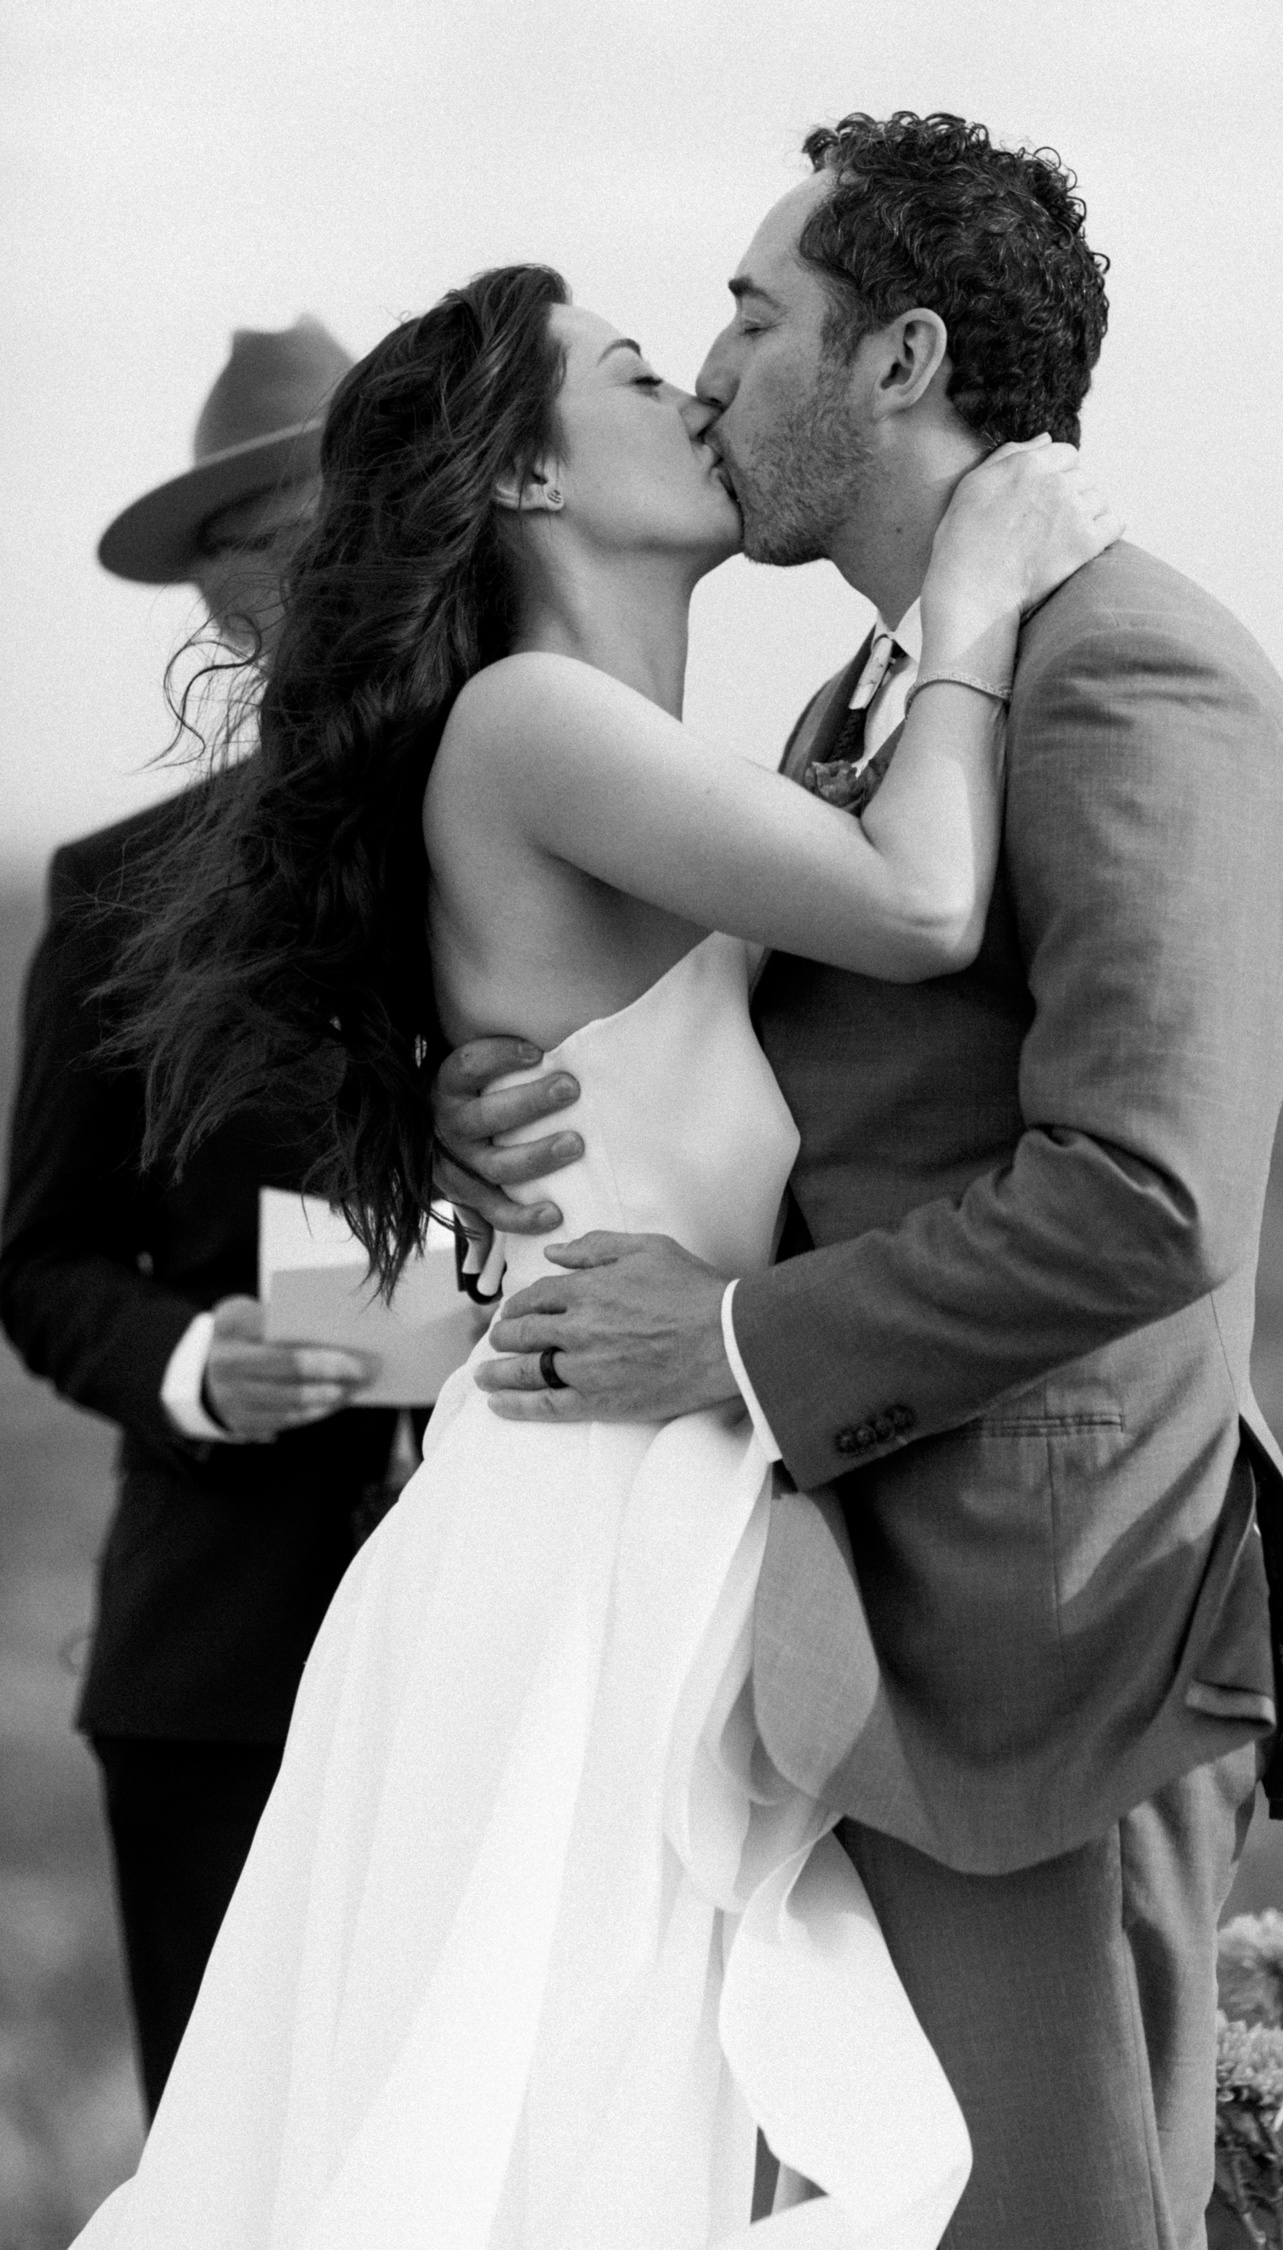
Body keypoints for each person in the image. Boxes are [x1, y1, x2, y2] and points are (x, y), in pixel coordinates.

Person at [64, 253, 1117, 2248]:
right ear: (530, 477)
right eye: (637, 369)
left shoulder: (624, 751)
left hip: (645, 1495)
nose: (699, 389)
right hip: (580, 1527)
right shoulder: (537, 717)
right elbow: (918, 908)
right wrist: (976, 596)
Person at [434, 116, 1283, 2250]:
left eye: (752, 315)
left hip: (1044, 1647)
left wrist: (732, 1343)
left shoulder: (1132, 671)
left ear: (901, 360)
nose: (709, 368)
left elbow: (1148, 1196)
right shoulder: (875, 697)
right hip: (841, 1633)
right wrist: (498, 1104)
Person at [0, 315, 419, 2119]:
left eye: (369, 517)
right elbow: (39, 1259)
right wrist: (192, 1364)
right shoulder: (115, 898)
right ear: (222, 600)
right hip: (219, 1665)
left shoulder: (556, 824)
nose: (342, 567)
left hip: (517, 1634)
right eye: (294, 538)